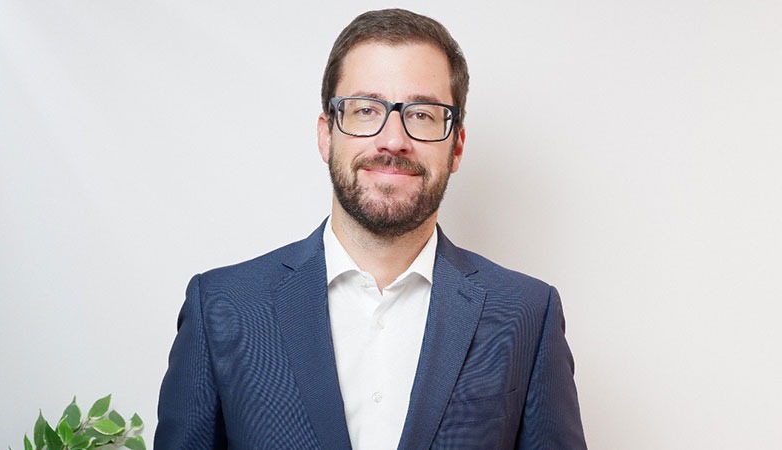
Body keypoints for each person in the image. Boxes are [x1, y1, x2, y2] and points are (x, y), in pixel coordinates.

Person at [155, 8, 586, 450]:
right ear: (327, 135)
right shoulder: (221, 306)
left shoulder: (528, 314)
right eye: (365, 110)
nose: (394, 140)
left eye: (422, 114)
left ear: (456, 146)